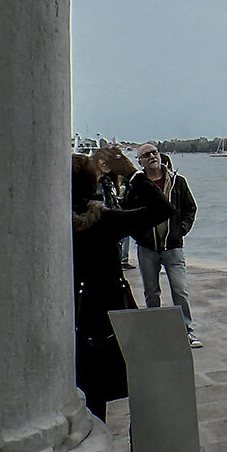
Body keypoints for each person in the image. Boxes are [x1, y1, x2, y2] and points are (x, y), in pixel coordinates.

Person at [72, 153, 175, 421]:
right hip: (112, 318)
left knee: (88, 401)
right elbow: (163, 210)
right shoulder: (103, 221)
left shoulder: (50, 223)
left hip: (74, 319)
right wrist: (134, 174)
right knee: (140, 389)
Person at [123, 143, 202, 348]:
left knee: (180, 289)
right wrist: (139, 236)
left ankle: (186, 330)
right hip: (147, 248)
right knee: (151, 291)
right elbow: (126, 212)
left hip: (173, 247)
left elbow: (190, 208)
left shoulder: (177, 183)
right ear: (139, 161)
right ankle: (155, 330)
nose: (151, 157)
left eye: (154, 153)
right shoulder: (137, 186)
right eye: (145, 155)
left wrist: (181, 230)